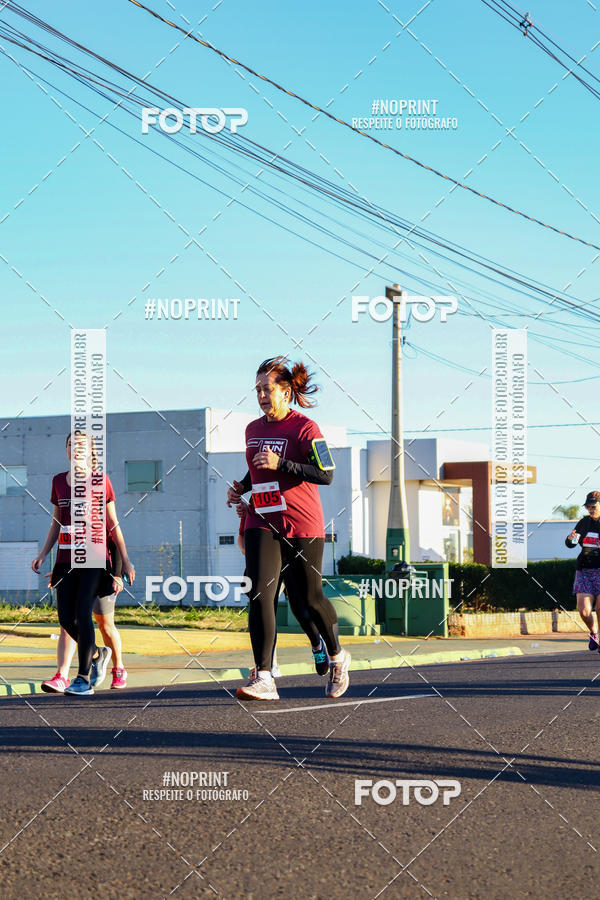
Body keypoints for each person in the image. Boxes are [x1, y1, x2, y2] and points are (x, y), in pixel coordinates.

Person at [226, 356, 350, 701]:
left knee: (309, 598)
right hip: (262, 522)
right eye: (258, 390)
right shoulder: (252, 429)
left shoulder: (306, 428)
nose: (262, 395)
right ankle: (264, 676)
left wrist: (282, 463)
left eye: (268, 389)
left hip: (302, 525)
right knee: (258, 594)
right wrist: (242, 487)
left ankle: (338, 656)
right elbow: (259, 472)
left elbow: (326, 474)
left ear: (285, 392)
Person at [31, 432, 135, 696]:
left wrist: (126, 562)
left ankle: (82, 679)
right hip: (66, 560)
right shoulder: (58, 482)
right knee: (66, 619)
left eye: (80, 446)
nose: (74, 449)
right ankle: (99, 653)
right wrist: (44, 553)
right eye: (70, 445)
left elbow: (113, 524)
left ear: (90, 451)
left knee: (83, 614)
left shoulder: (101, 481)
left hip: (94, 557)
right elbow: (56, 522)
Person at [40, 539, 128, 693]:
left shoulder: (101, 515)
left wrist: (118, 573)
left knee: (105, 624)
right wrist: (60, 571)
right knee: (68, 624)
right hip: (75, 571)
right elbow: (67, 544)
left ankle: (118, 668)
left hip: (102, 571)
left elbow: (115, 539)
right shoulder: (69, 517)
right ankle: (63, 675)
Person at [566, 490, 600, 651]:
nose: (590, 509)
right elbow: (572, 543)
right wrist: (570, 539)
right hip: (584, 570)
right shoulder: (584, 522)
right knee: (584, 611)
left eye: (593, 506)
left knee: (599, 609)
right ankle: (594, 633)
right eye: (588, 506)